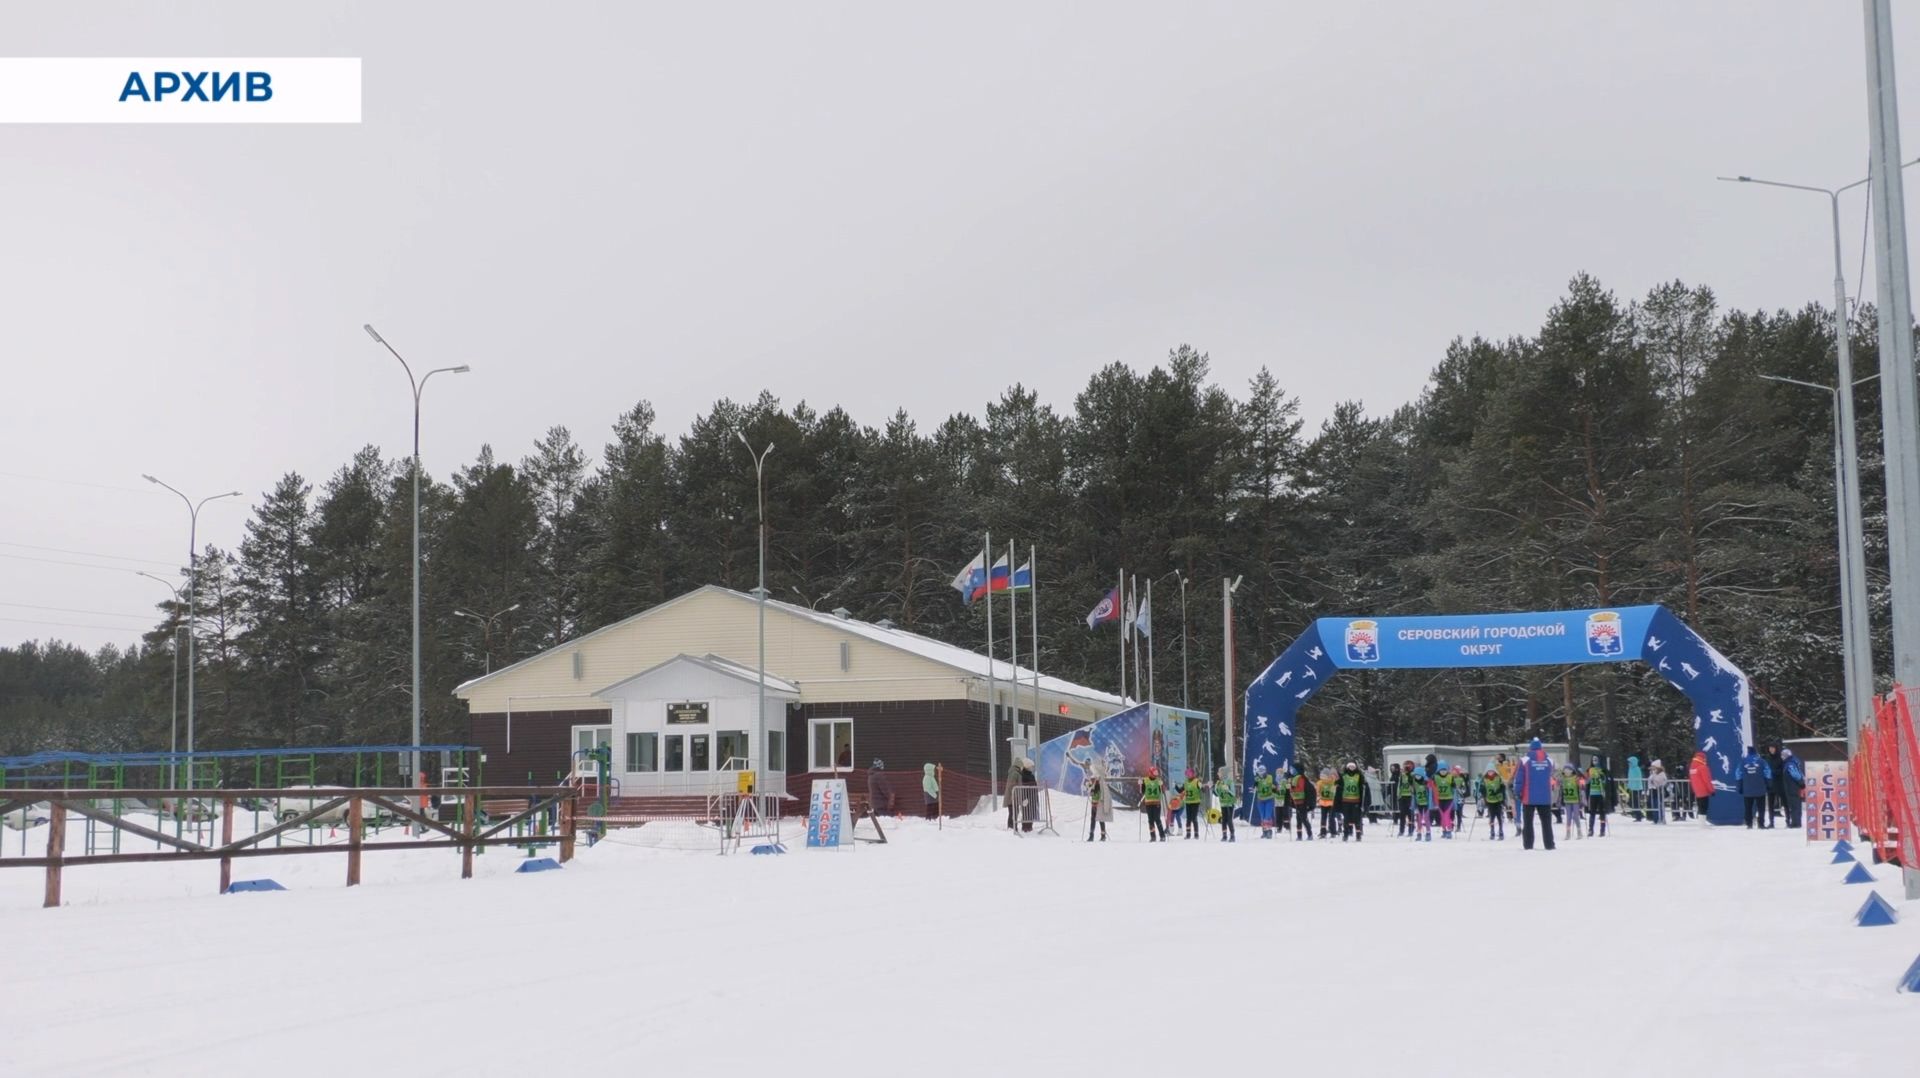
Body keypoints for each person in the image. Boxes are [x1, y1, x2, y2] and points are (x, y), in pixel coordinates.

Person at [1513, 738, 1558, 851]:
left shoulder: (1524, 760)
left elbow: (1519, 778)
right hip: (1545, 797)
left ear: (1530, 747)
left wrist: (1517, 792)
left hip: (1529, 797)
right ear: (1541, 747)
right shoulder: (1549, 760)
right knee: (1546, 823)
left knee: (1528, 823)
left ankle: (1528, 845)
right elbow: (1553, 774)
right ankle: (1549, 844)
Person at [1333, 761, 1369, 842]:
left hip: (1356, 800)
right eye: (1350, 766)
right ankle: (1346, 834)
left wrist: (1364, 785)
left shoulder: (1358, 776)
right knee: (1346, 818)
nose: (1351, 768)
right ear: (1347, 767)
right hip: (1346, 800)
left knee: (1357, 818)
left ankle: (1358, 835)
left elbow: (1362, 785)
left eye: (1353, 767)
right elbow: (1339, 783)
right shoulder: (1344, 776)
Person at [1739, 746, 1771, 829]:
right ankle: (1761, 824)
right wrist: (1768, 785)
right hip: (1760, 789)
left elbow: (1738, 774)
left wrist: (1740, 786)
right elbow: (1768, 773)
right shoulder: (1762, 761)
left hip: (1747, 789)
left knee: (1748, 808)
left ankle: (1749, 824)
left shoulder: (1742, 762)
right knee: (1761, 808)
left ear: (1748, 752)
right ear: (1756, 752)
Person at [1287, 765, 1315, 841]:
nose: (1291, 771)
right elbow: (1289, 789)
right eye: (1290, 769)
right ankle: (1299, 835)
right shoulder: (1292, 778)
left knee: (1304, 818)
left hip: (1302, 801)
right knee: (1298, 819)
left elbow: (1300, 788)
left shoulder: (1300, 778)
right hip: (1296, 801)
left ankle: (1310, 834)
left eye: (1292, 769)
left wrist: (1292, 787)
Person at [1084, 764, 1111, 842]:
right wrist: (1088, 787)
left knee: (1101, 819)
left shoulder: (1100, 782)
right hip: (1094, 803)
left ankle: (1103, 836)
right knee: (1093, 819)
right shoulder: (1092, 781)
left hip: (1099, 803)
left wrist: (1092, 790)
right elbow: (1089, 788)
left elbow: (1099, 790)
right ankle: (1091, 835)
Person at [1780, 748, 1806, 828]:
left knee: (1795, 805)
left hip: (1793, 788)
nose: (1782, 757)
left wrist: (1801, 783)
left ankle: (1796, 822)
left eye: (1783, 755)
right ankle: (1795, 821)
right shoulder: (1792, 762)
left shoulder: (1790, 764)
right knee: (1794, 805)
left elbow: (1796, 774)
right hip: (1792, 787)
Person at [1585, 758, 1611, 837]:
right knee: (1592, 812)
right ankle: (1590, 830)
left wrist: (1601, 777)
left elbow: (1605, 781)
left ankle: (1602, 830)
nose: (1594, 762)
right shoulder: (1590, 770)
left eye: (1596, 760)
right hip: (1593, 793)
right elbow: (1586, 781)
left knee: (1602, 812)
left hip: (1600, 793)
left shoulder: (1602, 770)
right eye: (1593, 760)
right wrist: (1589, 777)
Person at [1141, 766, 1167, 842]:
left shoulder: (1158, 780)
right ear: (1150, 773)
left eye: (1156, 772)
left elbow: (1162, 791)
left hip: (1156, 803)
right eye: (1154, 772)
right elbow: (1142, 791)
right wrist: (1141, 784)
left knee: (1157, 819)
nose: (1155, 774)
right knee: (1150, 820)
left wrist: (1162, 785)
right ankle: (1153, 836)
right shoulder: (1145, 780)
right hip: (1148, 803)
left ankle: (1162, 835)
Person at [1479, 768, 1506, 840]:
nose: (1490, 773)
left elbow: (1503, 787)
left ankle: (1501, 831)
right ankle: (1492, 831)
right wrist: (1483, 793)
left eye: (1492, 771)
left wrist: (1498, 791)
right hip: (1490, 801)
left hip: (1498, 800)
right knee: (1492, 817)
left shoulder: (1498, 778)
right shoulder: (1484, 779)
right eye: (1489, 771)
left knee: (1499, 816)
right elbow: (1481, 788)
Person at [1560, 764, 1585, 841]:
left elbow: (1582, 785)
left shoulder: (1575, 778)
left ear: (1572, 771)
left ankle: (1579, 831)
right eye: (1565, 770)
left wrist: (1582, 783)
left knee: (1576, 816)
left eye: (1568, 770)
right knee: (1568, 817)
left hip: (1575, 800)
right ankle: (1568, 833)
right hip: (1567, 800)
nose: (1566, 771)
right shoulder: (1563, 779)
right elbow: (1557, 782)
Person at [1410, 765, 1434, 841]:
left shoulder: (1426, 782)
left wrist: (1430, 804)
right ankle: (1419, 833)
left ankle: (1428, 833)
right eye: (1416, 775)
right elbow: (1414, 794)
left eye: (1418, 775)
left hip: (1426, 803)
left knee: (1426, 818)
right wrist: (1413, 804)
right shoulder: (1414, 783)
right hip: (1419, 804)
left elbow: (1430, 794)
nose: (1417, 777)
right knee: (1419, 819)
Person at [1686, 752, 1712, 825]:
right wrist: (1711, 790)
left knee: (1700, 807)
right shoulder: (1703, 767)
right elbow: (1707, 780)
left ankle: (1701, 823)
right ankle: (1702, 824)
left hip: (1696, 790)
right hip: (1704, 790)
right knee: (1704, 807)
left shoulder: (1692, 767)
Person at [1764, 744, 1786, 826]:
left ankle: (1788, 820)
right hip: (1771, 784)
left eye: (1773, 748)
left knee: (1785, 803)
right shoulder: (1767, 758)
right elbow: (1765, 769)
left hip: (1780, 783)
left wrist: (1774, 772)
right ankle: (1771, 822)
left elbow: (1783, 769)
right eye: (1770, 748)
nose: (1771, 750)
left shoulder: (1780, 758)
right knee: (1770, 804)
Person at [1214, 768, 1238, 843]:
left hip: (1230, 803)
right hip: (1223, 803)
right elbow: (1217, 794)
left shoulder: (1229, 782)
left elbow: (1233, 794)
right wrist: (1213, 788)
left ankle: (1232, 835)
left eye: (1219, 772)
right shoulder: (1219, 782)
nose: (1218, 774)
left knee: (1229, 819)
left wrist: (1228, 790)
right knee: (1223, 819)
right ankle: (1224, 835)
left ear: (1223, 773)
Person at [1253, 769, 1278, 839]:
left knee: (1267, 816)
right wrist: (1255, 785)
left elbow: (1276, 786)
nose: (1261, 775)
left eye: (1262, 773)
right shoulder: (1257, 779)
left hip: (1269, 799)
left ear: (1265, 772)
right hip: (1260, 800)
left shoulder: (1270, 777)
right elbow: (1254, 786)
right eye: (1259, 773)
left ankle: (1269, 831)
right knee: (1262, 816)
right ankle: (1264, 831)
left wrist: (1275, 788)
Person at [1315, 766, 1339, 839]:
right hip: (1323, 802)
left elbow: (1337, 781)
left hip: (1331, 802)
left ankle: (1333, 831)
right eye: (1321, 776)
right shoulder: (1320, 783)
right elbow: (1317, 791)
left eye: (1324, 776)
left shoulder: (1332, 781)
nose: (1322, 777)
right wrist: (1318, 798)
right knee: (1323, 818)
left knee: (1331, 818)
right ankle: (1323, 832)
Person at [1181, 769, 1205, 839]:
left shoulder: (1196, 781)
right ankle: (1188, 834)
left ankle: (1196, 834)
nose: (1188, 776)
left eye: (1189, 774)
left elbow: (1203, 791)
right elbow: (1180, 790)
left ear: (1192, 774)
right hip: (1188, 802)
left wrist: (1202, 786)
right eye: (1187, 775)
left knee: (1194, 818)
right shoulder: (1186, 782)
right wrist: (1175, 786)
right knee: (1188, 819)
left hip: (1195, 802)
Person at [1496, 753, 1518, 821]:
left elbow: (1511, 772)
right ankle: (1505, 815)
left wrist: (1509, 780)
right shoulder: (1497, 765)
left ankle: (1512, 815)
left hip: (1508, 783)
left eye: (1499, 757)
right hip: (1501, 784)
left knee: (1510, 800)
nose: (1498, 759)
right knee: (1503, 800)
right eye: (1497, 758)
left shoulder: (1508, 764)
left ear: (1502, 758)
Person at [1647, 759, 1669, 824]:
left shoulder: (1662, 774)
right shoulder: (1653, 773)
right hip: (1653, 791)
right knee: (1654, 805)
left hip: (1658, 791)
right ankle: (1655, 819)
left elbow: (1659, 782)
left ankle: (1661, 818)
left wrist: (1653, 779)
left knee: (1658, 805)